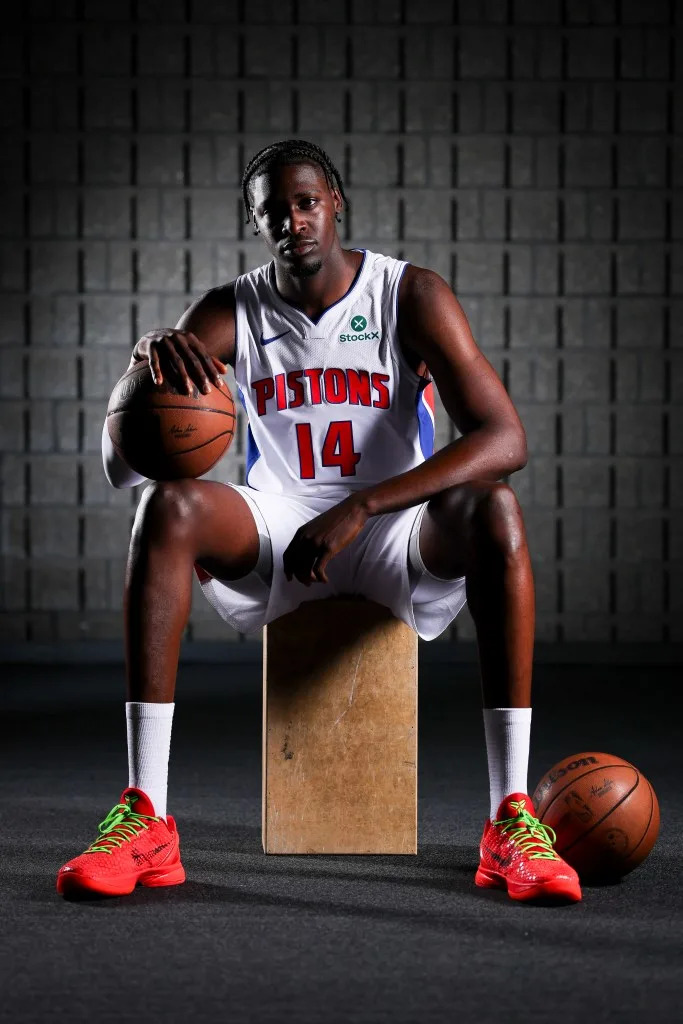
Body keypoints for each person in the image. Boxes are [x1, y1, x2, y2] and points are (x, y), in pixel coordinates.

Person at [56, 139, 581, 903]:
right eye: (273, 209)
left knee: (496, 506)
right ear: (254, 220)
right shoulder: (227, 308)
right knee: (164, 503)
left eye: (305, 202)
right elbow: (121, 469)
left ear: (334, 200)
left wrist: (364, 503)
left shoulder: (408, 294)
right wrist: (139, 378)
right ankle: (146, 819)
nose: (292, 220)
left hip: (395, 525)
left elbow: (505, 439)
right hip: (278, 530)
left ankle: (508, 818)